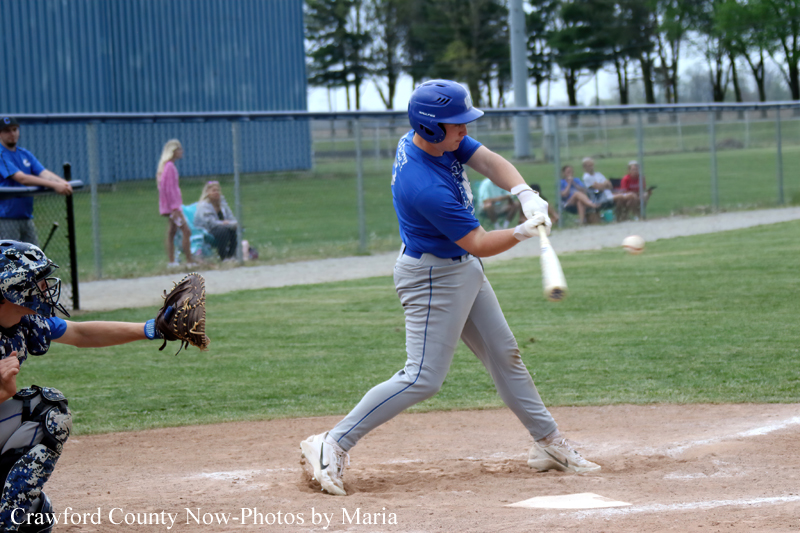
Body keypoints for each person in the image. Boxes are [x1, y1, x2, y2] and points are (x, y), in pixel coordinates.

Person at [299, 79, 600, 497]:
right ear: (433, 128)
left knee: (504, 353)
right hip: (432, 277)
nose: (465, 130)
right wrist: (521, 231)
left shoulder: (436, 140)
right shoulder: (423, 185)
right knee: (423, 377)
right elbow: (477, 242)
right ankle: (332, 442)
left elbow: (490, 161)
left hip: (462, 270)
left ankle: (547, 444)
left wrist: (524, 193)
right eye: (457, 124)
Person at [0, 239, 170, 531]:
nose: (45, 287)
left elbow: (81, 334)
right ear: (9, 289)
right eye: (35, 280)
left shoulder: (23, 321)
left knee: (36, 515)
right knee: (47, 411)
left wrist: (152, 329)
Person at [0, 117, 73, 246]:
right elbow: (22, 178)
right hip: (6, 217)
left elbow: (44, 173)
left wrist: (63, 183)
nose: (12, 134)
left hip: (26, 216)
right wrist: (55, 185)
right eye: (7, 131)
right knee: (11, 261)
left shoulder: (24, 154)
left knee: (34, 258)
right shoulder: (1, 154)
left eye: (14, 129)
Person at [156, 139, 194, 268]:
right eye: (179, 149)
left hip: (171, 207)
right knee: (186, 231)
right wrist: (175, 208)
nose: (181, 152)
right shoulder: (170, 167)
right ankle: (189, 261)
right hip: (174, 208)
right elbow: (170, 189)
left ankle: (172, 261)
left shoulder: (165, 167)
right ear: (173, 151)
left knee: (171, 232)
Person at [194, 181, 238, 261]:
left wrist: (234, 223)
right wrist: (224, 223)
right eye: (213, 190)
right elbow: (210, 223)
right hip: (208, 230)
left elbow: (231, 217)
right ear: (207, 192)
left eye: (218, 190)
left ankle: (231, 255)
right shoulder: (204, 206)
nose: (216, 192)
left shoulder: (223, 204)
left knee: (234, 229)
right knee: (223, 231)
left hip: (223, 227)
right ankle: (223, 256)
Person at [581, 157, 633, 222]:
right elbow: (598, 188)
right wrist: (604, 185)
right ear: (584, 167)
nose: (591, 167)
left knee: (631, 196)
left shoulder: (598, 174)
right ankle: (620, 217)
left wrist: (602, 185)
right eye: (589, 166)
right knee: (620, 197)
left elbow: (610, 185)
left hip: (609, 194)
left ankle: (623, 216)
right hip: (600, 198)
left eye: (592, 165)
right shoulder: (586, 177)